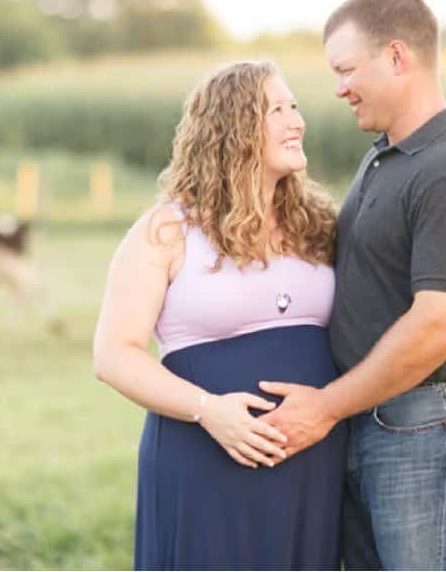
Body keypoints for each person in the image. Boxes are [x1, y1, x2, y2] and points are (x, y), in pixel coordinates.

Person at [258, 0, 446, 570]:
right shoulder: (387, 155)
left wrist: (324, 407)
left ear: (397, 57)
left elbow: (439, 325)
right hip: (376, 422)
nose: (340, 88)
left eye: (347, 70)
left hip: (431, 427)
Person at [92, 60, 347, 570]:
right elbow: (114, 355)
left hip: (312, 465)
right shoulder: (165, 232)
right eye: (276, 109)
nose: (296, 121)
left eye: (294, 106)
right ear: (232, 127)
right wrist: (210, 410)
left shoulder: (319, 227)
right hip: (205, 459)